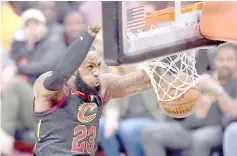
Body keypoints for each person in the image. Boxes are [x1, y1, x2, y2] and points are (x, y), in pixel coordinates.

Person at [33, 24, 153, 156]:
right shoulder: (53, 88)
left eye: (98, 66)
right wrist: (90, 32)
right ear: (73, 69)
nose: (97, 72)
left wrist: (168, 54)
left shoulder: (103, 86)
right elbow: (61, 72)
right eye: (90, 66)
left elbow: (142, 81)